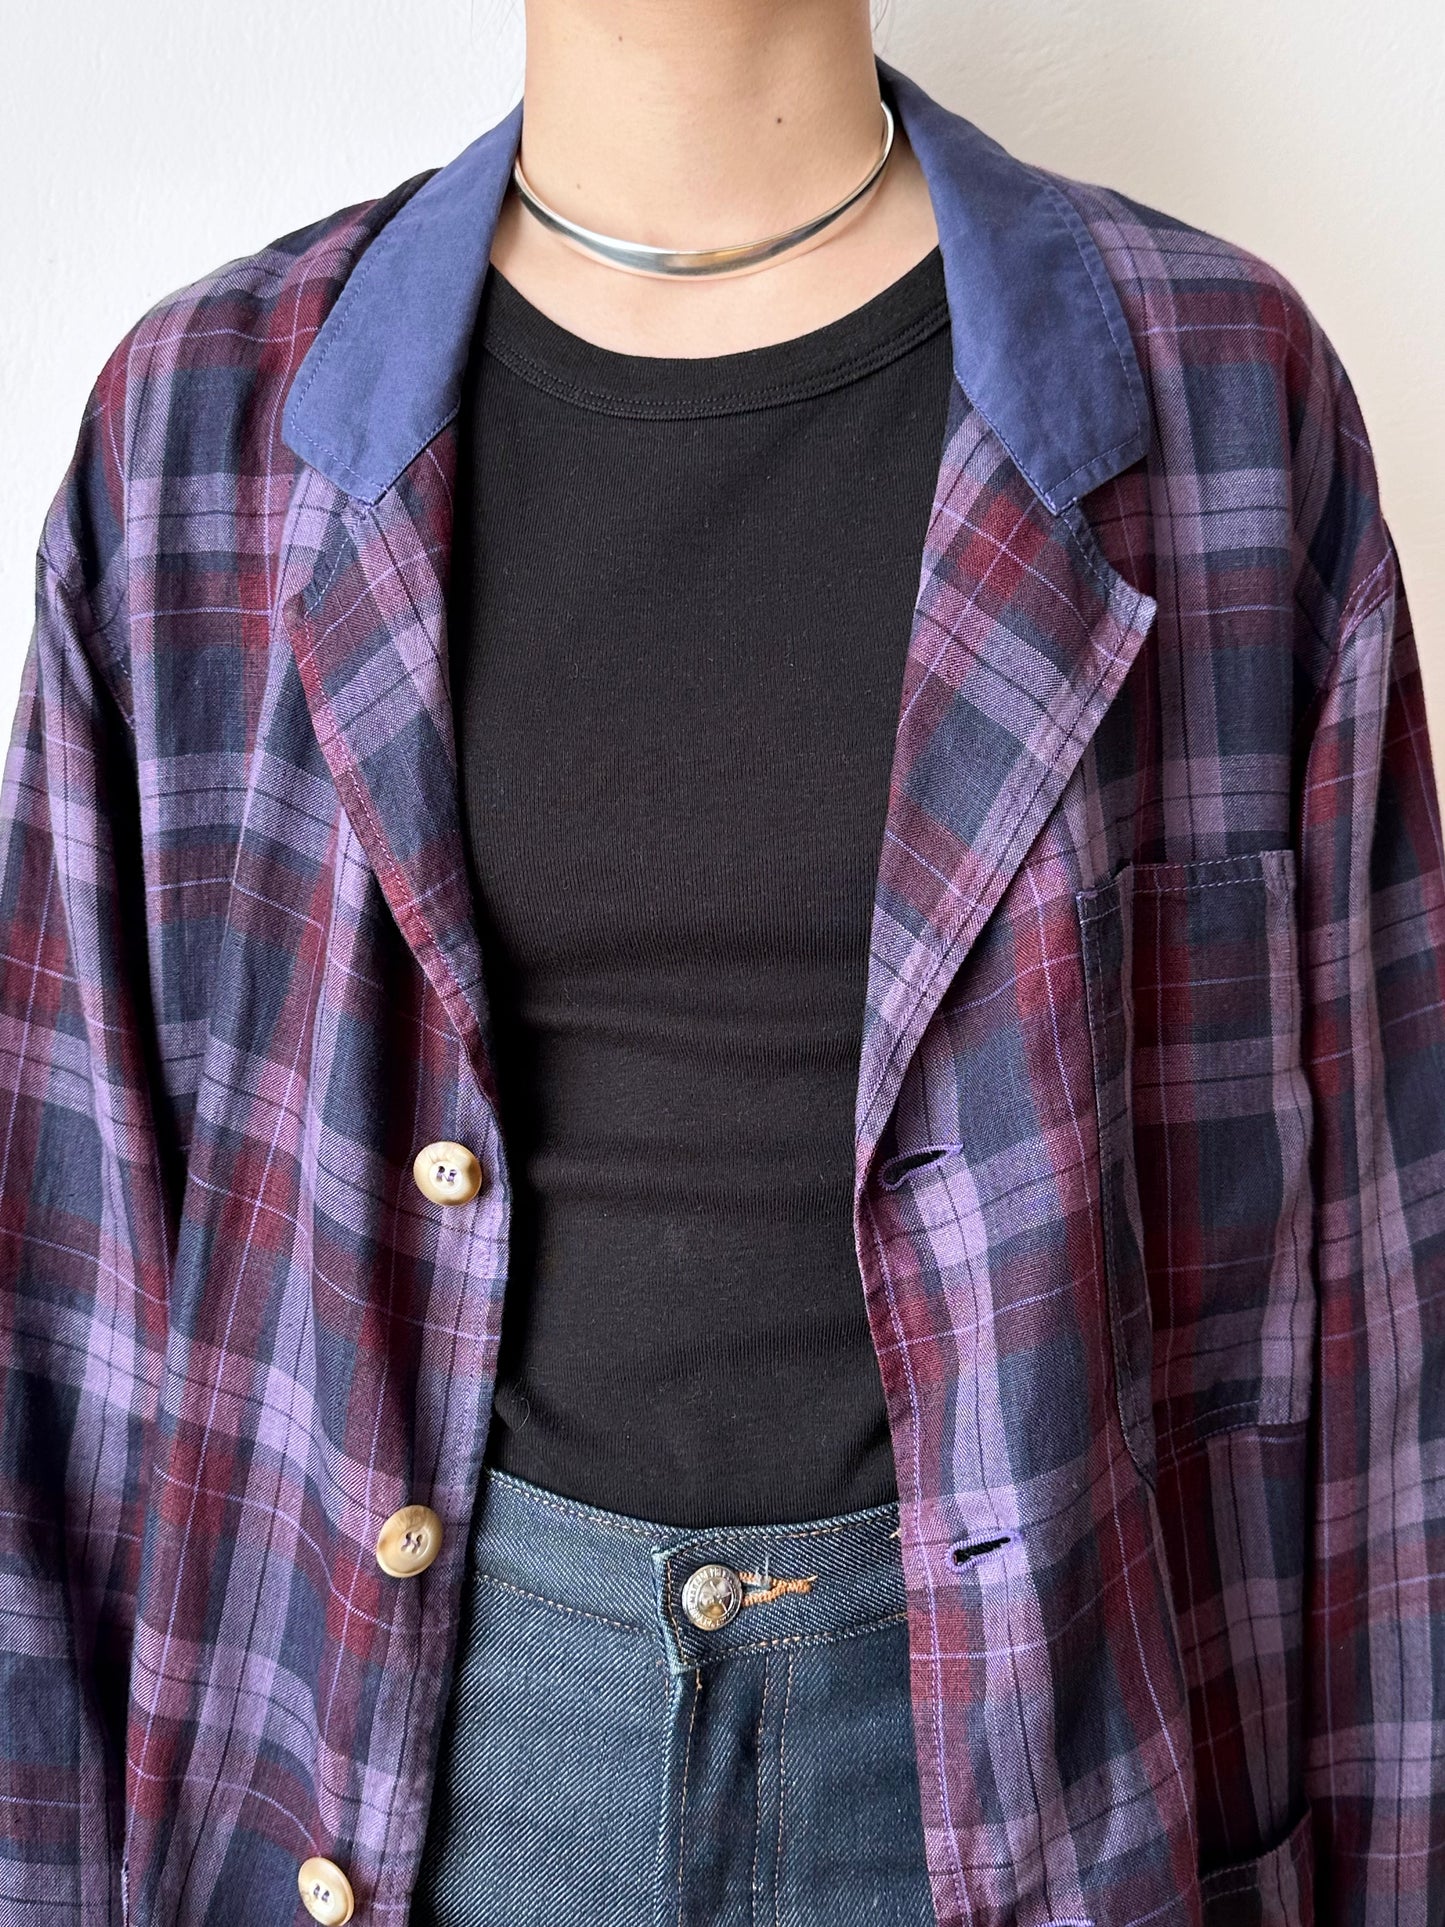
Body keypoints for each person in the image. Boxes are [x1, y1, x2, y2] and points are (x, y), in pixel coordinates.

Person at [1, 0, 1441, 1922]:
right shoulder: (203, 441)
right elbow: (63, 1330)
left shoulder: (1218, 401)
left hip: (1043, 1783)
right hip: (390, 1772)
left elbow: (1388, 1318)